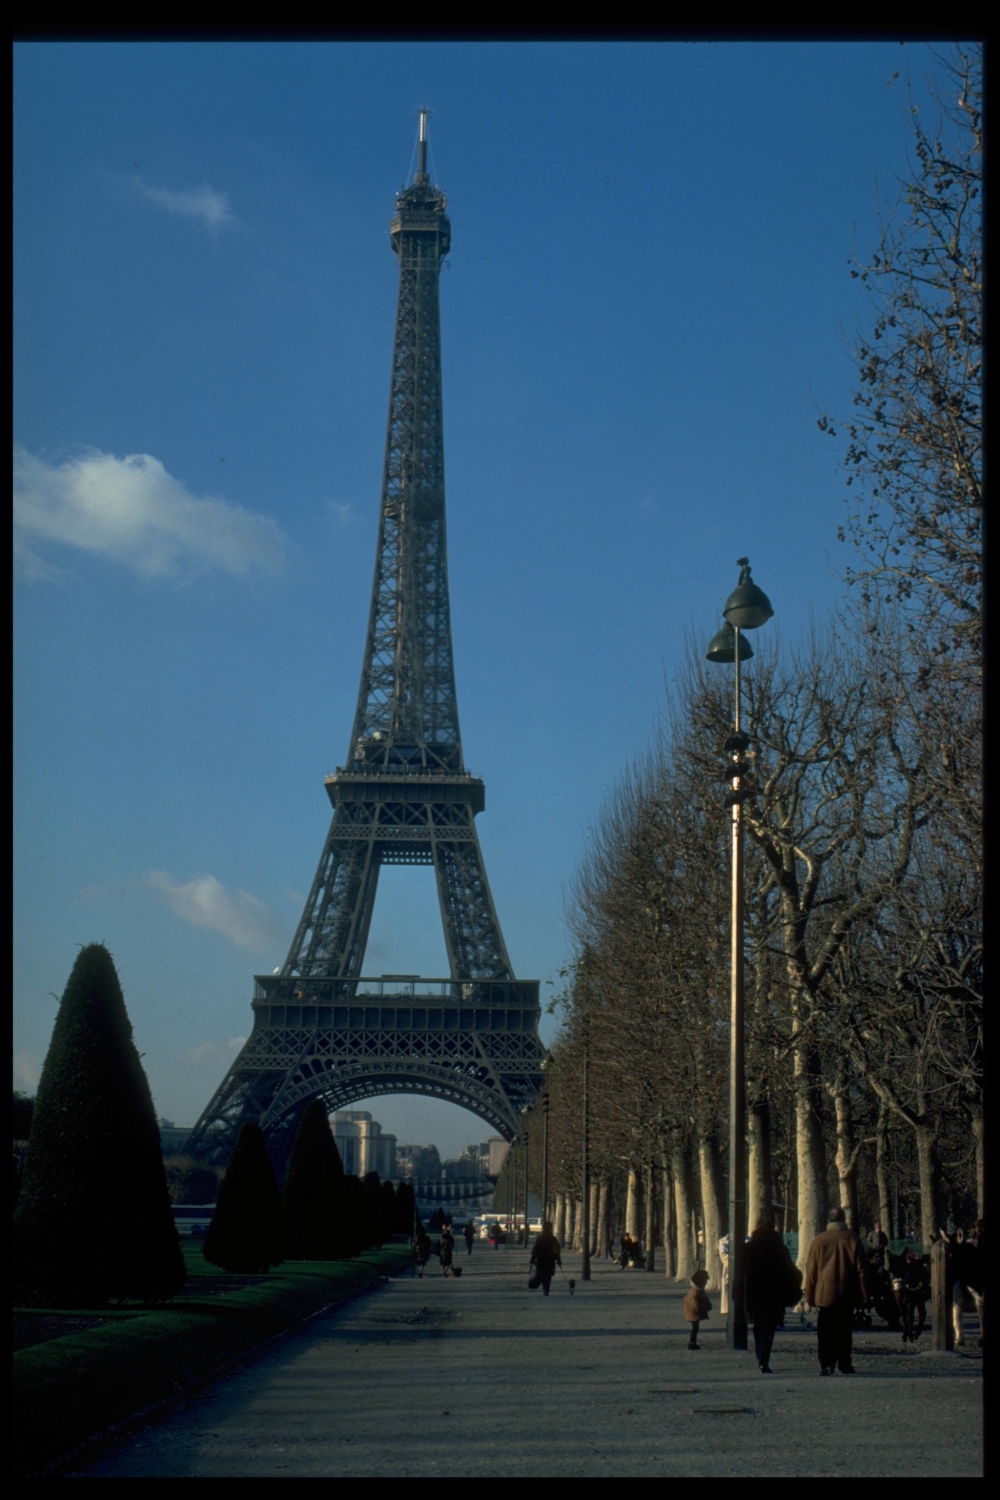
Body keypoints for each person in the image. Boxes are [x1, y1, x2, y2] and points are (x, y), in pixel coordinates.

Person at [803, 1206, 869, 1376]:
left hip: (825, 1293)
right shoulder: (853, 1239)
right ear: (844, 1220)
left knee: (825, 1331)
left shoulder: (819, 1240)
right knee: (845, 1331)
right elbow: (862, 1270)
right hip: (847, 1291)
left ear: (828, 1220)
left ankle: (827, 1364)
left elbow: (811, 1270)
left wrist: (809, 1296)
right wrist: (864, 1295)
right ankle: (845, 1363)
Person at [743, 1219, 802, 1373]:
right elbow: (790, 1272)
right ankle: (764, 1359)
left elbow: (741, 1274)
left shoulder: (749, 1248)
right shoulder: (780, 1249)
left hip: (754, 1293)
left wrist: (738, 1294)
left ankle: (759, 1354)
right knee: (769, 1327)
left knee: (758, 1324)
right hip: (774, 1293)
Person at [529, 1221, 561, 1296]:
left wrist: (532, 1259)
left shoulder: (540, 1238)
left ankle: (544, 1287)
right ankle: (546, 1289)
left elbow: (535, 1249)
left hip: (541, 1260)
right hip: (550, 1260)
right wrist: (558, 1259)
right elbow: (556, 1250)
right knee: (548, 1275)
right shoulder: (553, 1238)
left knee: (541, 1274)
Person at [683, 1268, 711, 1349]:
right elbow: (695, 1306)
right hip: (693, 1313)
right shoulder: (695, 1292)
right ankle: (692, 1343)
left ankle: (692, 1343)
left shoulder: (697, 1291)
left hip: (694, 1312)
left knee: (695, 1328)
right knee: (695, 1328)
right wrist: (705, 1307)